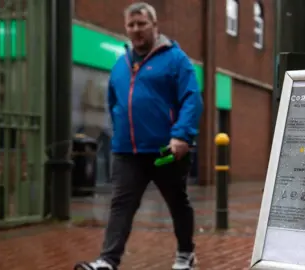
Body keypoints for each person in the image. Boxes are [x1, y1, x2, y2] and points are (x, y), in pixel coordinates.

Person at [74, 2, 203, 270]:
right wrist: (120, 131)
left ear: (155, 27)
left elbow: (192, 99)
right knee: (121, 205)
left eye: (142, 24)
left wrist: (181, 135)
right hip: (127, 152)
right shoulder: (120, 65)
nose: (136, 30)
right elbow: (114, 103)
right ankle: (108, 261)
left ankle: (185, 253)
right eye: (131, 25)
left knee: (177, 202)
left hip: (165, 151)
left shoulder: (176, 60)